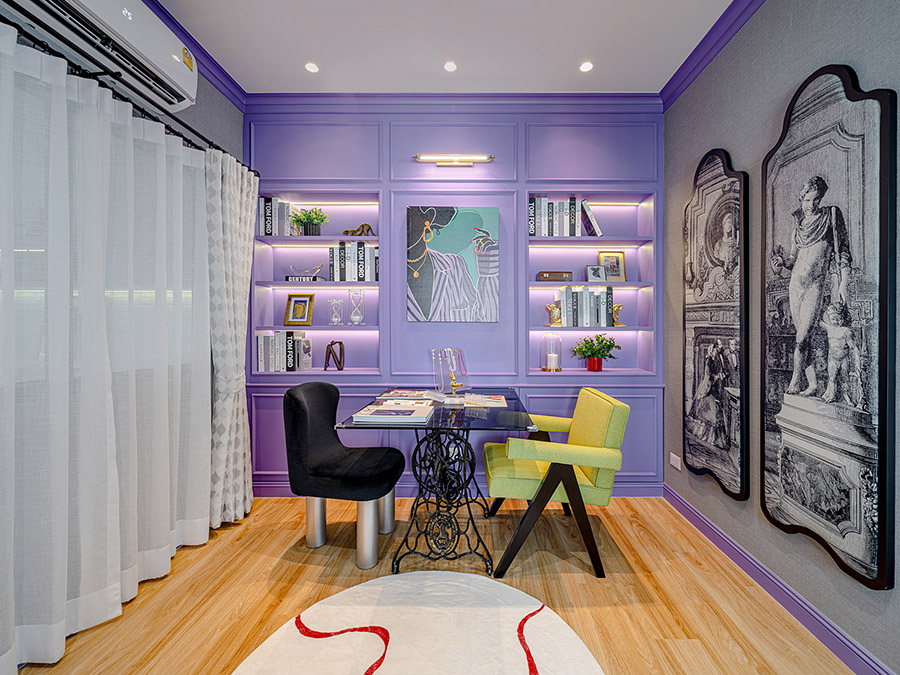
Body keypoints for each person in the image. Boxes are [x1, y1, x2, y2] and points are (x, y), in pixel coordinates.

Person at [770, 176, 852, 396]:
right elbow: (792, 260)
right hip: (795, 285)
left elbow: (843, 252)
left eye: (816, 199)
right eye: (807, 200)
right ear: (801, 199)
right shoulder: (798, 227)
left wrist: (843, 283)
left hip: (815, 285)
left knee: (802, 337)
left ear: (821, 198)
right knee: (802, 336)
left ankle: (796, 379)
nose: (811, 205)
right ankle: (813, 384)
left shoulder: (830, 217)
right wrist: (781, 263)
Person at [406, 206, 498, 322]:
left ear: (428, 217)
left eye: (409, 215)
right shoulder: (389, 271)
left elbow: (483, 318)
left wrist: (489, 269)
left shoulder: (454, 266)